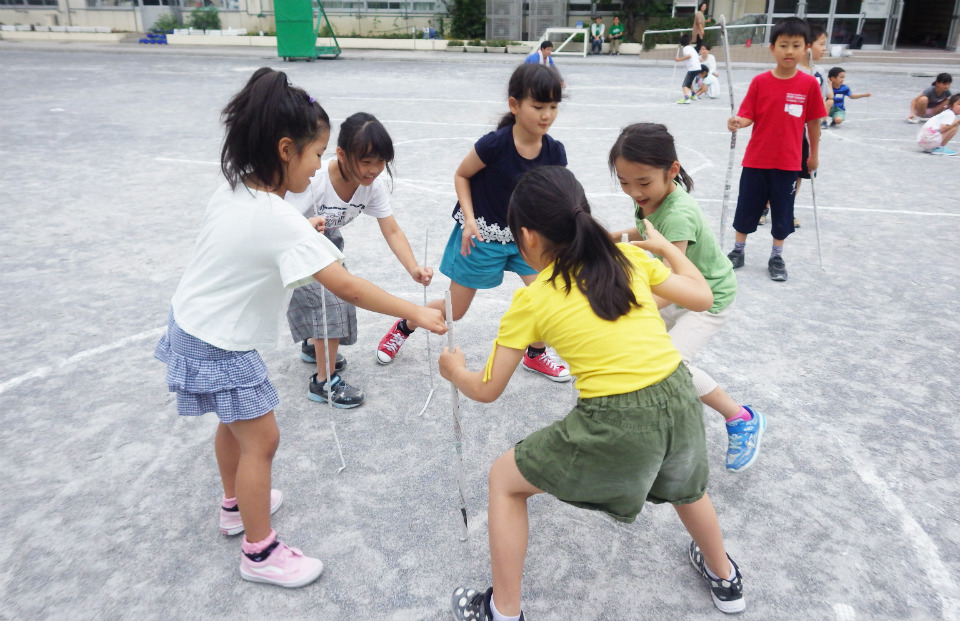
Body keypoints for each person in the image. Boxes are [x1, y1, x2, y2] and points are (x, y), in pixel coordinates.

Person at [153, 68, 445, 588]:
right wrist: (416, 311)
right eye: (316, 154)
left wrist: (300, 230)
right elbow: (348, 288)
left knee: (233, 423)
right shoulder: (280, 218)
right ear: (286, 150)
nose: (318, 168)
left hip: (192, 325)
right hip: (220, 344)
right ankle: (259, 552)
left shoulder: (237, 190)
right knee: (262, 439)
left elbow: (261, 239)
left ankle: (234, 506)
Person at [445, 166, 746, 621]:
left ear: (526, 237)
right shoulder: (630, 260)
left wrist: (454, 370)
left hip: (616, 417)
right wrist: (666, 250)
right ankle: (726, 580)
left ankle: (503, 612)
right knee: (687, 487)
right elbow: (702, 295)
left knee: (504, 482)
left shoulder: (532, 298)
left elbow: (487, 390)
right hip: (680, 395)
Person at [375, 63, 572, 382]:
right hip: (482, 234)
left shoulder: (554, 151)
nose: (546, 115)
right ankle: (406, 324)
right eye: (538, 106)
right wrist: (469, 219)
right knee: (458, 310)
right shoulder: (494, 144)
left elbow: (558, 195)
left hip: (528, 239)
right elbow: (462, 174)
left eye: (553, 106)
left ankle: (535, 354)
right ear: (515, 105)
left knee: (542, 296)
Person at [609, 123, 765, 472]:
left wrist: (633, 307)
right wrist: (610, 236)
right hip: (680, 292)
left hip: (706, 297)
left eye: (643, 182)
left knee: (671, 365)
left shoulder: (678, 212)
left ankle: (741, 417)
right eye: (623, 182)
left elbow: (673, 278)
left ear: (673, 170)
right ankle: (645, 419)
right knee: (638, 348)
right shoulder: (654, 198)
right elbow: (647, 230)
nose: (633, 191)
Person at [284, 113, 433, 408]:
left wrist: (413, 267)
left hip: (328, 245)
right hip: (295, 245)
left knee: (332, 301)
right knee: (335, 301)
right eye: (366, 162)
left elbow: (391, 229)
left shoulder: (372, 186)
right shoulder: (315, 180)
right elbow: (282, 220)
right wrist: (304, 229)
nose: (375, 170)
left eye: (381, 162)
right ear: (341, 154)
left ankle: (315, 345)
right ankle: (323, 384)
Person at [725, 17, 826, 282]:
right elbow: (747, 115)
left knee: (783, 212)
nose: (789, 51)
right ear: (772, 48)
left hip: (789, 162)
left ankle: (777, 256)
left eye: (796, 45)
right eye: (783, 45)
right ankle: (738, 250)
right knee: (746, 207)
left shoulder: (809, 85)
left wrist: (813, 155)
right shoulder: (760, 82)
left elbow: (813, 124)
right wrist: (738, 122)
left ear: (805, 48)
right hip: (756, 160)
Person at [675, 33, 701, 104]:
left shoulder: (685, 49)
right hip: (698, 67)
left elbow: (689, 56)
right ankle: (693, 94)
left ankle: (686, 98)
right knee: (690, 82)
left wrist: (679, 59)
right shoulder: (692, 48)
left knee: (685, 85)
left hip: (692, 68)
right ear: (689, 42)